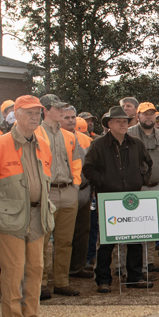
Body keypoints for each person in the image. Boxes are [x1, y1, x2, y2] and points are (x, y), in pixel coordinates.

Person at [0, 96, 56, 317]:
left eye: (38, 113)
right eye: (29, 113)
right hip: (10, 218)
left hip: (37, 215)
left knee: (35, 267)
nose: (35, 117)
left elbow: (46, 180)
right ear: (16, 115)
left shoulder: (43, 144)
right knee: (13, 269)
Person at [82, 106, 152, 292]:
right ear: (109, 124)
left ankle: (135, 276)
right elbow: (88, 169)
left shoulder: (136, 144)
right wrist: (104, 182)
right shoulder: (98, 144)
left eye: (125, 121)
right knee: (106, 242)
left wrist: (141, 180)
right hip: (108, 199)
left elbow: (148, 164)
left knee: (135, 239)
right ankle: (103, 280)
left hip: (132, 198)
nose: (123, 124)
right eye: (118, 121)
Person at [39, 94, 84, 297]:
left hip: (67, 191)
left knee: (65, 241)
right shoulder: (36, 133)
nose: (62, 112)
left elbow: (76, 164)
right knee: (40, 241)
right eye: (57, 108)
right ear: (45, 110)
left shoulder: (69, 136)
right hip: (46, 192)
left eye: (62, 108)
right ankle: (39, 283)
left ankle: (61, 282)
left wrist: (75, 187)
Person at [128, 102, 159, 269]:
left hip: (155, 188)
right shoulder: (128, 135)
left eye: (151, 114)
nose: (148, 117)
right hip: (135, 189)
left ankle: (148, 262)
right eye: (144, 114)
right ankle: (128, 264)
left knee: (151, 227)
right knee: (132, 228)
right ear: (137, 116)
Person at [67, 106, 94, 279]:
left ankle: (78, 266)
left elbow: (91, 165)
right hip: (66, 189)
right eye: (66, 117)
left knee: (83, 229)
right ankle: (61, 270)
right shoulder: (50, 138)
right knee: (64, 232)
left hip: (84, 189)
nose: (70, 120)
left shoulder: (86, 140)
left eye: (72, 117)